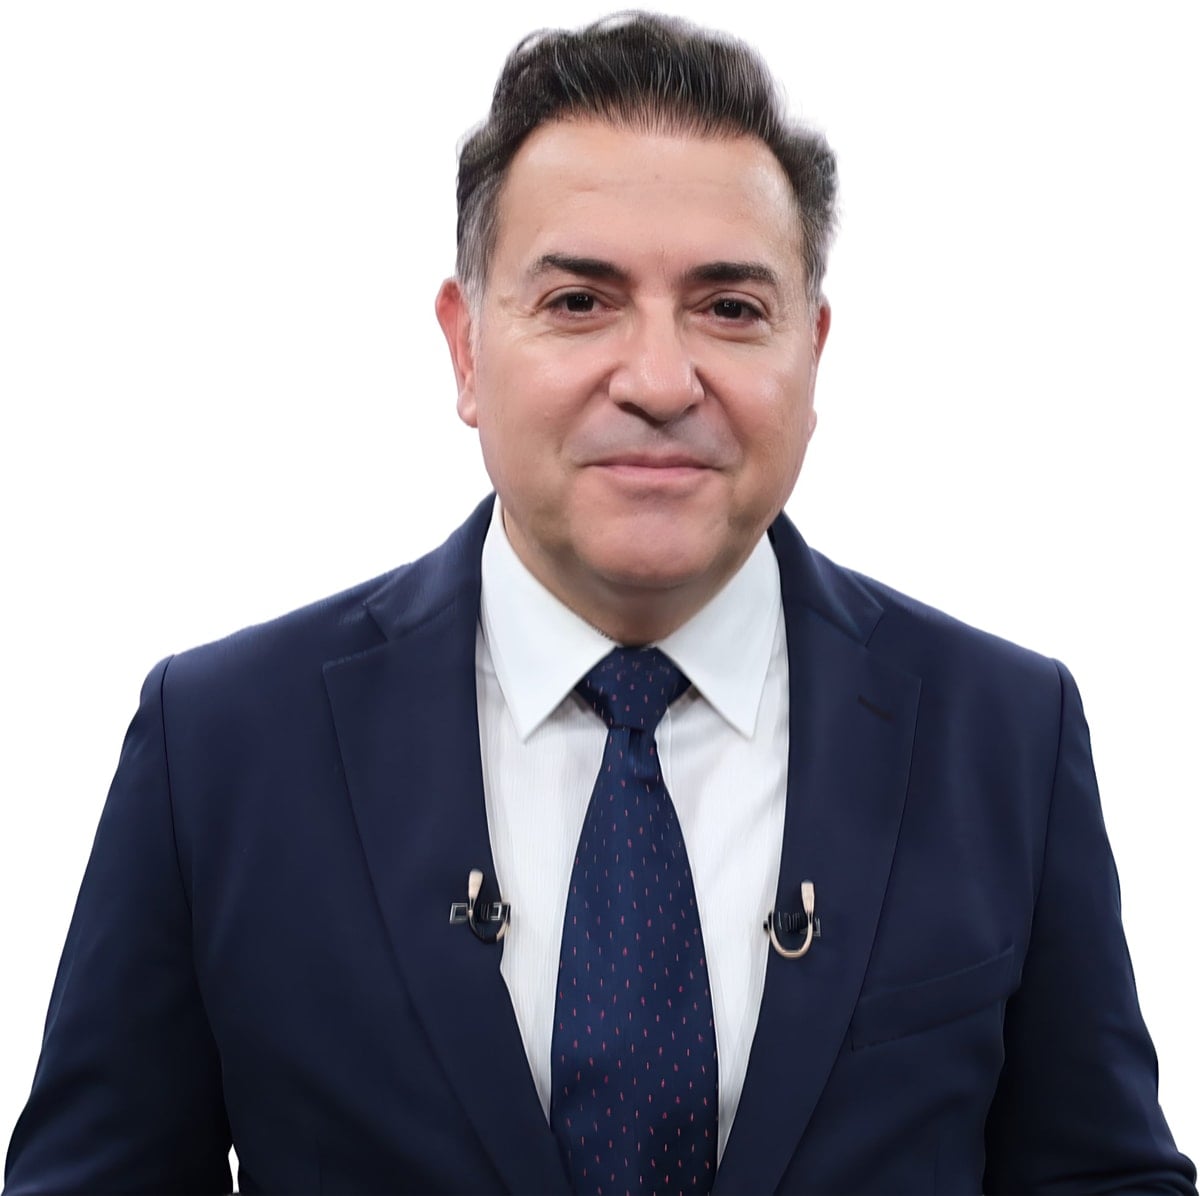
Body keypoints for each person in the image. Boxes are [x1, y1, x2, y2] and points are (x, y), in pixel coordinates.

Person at [4, 12, 1194, 1195]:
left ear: (813, 352)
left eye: (731, 308)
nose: (661, 380)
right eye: (580, 301)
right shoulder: (222, 743)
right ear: (466, 349)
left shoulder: (1003, 732)